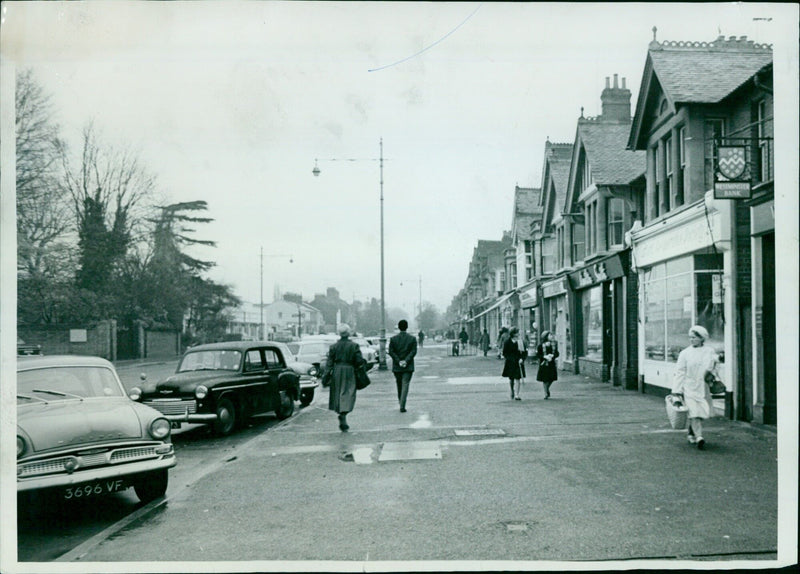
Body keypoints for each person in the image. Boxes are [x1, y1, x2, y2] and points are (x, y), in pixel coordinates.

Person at [671, 325, 719, 450]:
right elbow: (680, 372)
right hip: (689, 387)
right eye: (690, 337)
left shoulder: (710, 351)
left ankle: (692, 432)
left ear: (702, 338)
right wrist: (676, 391)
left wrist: (712, 374)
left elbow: (714, 367)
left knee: (701, 412)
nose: (691, 340)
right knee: (694, 412)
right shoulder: (685, 353)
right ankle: (699, 437)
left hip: (703, 386)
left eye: (694, 337)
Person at [324, 323, 365, 431]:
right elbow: (359, 361)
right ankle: (344, 414)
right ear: (349, 333)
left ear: (339, 333)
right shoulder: (354, 346)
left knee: (338, 393)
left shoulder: (333, 347)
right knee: (349, 393)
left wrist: (326, 377)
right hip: (349, 370)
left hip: (337, 371)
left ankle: (341, 413)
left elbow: (329, 363)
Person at [389, 319, 418, 412]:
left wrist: (398, 361)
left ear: (398, 327)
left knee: (399, 384)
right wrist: (406, 361)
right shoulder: (412, 339)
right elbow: (413, 351)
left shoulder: (393, 339)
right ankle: (402, 404)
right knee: (405, 384)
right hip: (408, 366)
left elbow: (391, 352)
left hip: (397, 367)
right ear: (407, 327)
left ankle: (400, 401)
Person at [502, 327, 527, 400]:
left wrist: (522, 359)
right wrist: (510, 359)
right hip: (510, 363)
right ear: (513, 334)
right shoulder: (507, 342)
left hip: (518, 362)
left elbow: (524, 352)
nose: (518, 334)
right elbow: (505, 353)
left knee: (518, 378)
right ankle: (512, 389)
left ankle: (517, 394)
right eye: (517, 332)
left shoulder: (520, 342)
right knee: (511, 378)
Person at [536, 330, 559, 399]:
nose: (552, 336)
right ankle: (546, 392)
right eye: (550, 335)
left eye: (552, 335)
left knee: (551, 378)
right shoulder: (540, 346)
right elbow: (538, 354)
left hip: (551, 364)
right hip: (544, 364)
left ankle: (547, 388)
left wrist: (553, 356)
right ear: (546, 337)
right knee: (545, 379)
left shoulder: (554, 345)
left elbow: (557, 353)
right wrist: (544, 357)